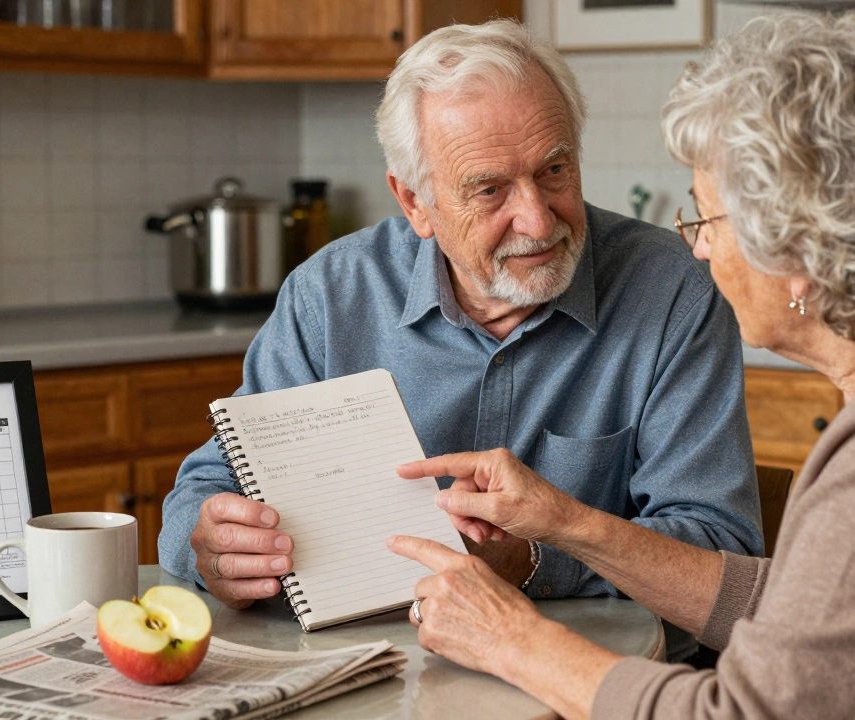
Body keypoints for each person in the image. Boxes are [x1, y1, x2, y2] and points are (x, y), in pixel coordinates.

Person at [387, 12, 855, 719]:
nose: (697, 250)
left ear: (802, 250)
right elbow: (819, 615)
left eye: (706, 218)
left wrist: (511, 638)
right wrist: (567, 523)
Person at [157, 18, 761, 656]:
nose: (536, 217)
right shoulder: (331, 296)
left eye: (555, 170)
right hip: (371, 671)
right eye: (489, 189)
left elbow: (721, 553)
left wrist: (534, 561)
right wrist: (210, 545)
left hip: (602, 680)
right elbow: (208, 487)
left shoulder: (673, 291)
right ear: (414, 201)